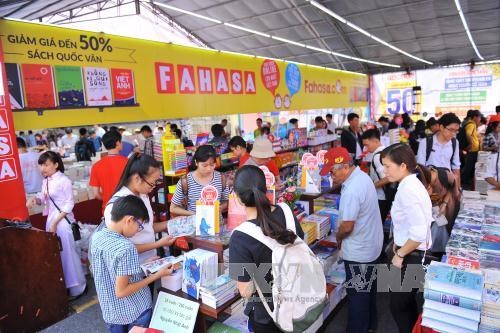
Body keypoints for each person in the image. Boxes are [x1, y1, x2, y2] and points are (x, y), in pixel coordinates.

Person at [229, 165, 304, 333]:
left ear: (238, 198)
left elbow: (246, 291)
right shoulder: (286, 211)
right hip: (297, 302)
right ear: (265, 189)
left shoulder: (240, 237)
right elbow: (300, 244)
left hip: (268, 316)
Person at [319, 147, 383, 333]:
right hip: (371, 245)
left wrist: (337, 237)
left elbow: (347, 226)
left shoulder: (351, 190)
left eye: (332, 171)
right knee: (368, 290)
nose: (331, 176)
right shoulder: (361, 177)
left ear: (345, 167)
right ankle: (371, 325)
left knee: (357, 298)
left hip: (360, 251)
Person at [91, 195, 174, 332]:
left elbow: (112, 272)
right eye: (139, 225)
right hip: (136, 310)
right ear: (129, 220)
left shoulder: (98, 236)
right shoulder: (126, 247)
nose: (137, 231)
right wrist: (157, 275)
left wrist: (142, 267)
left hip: (111, 312)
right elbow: (122, 291)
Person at [381, 144, 433, 333]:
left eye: (387, 166)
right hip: (406, 253)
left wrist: (399, 254)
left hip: (408, 256)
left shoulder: (408, 189)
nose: (384, 170)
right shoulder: (409, 184)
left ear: (403, 166)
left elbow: (419, 234)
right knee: (404, 305)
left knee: (399, 307)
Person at [26, 151, 87, 298]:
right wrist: (35, 199)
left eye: (46, 165)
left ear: (56, 164)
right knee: (58, 255)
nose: (43, 168)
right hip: (52, 221)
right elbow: (43, 196)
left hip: (62, 222)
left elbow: (69, 204)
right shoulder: (46, 181)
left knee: (68, 255)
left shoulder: (64, 180)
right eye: (41, 165)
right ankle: (65, 285)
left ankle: (78, 288)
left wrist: (55, 222)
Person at [105, 153, 173, 265]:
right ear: (137, 178)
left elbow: (148, 227)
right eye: (151, 184)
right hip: (131, 267)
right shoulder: (118, 205)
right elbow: (120, 247)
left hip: (149, 261)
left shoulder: (143, 195)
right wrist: (158, 244)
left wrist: (172, 223)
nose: (153, 187)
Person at [170, 145, 230, 217]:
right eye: (204, 165)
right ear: (196, 163)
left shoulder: (221, 178)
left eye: (212, 165)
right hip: (194, 225)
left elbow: (227, 201)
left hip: (217, 223)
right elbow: (173, 208)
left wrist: (220, 208)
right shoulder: (186, 181)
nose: (209, 169)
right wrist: (195, 215)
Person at [417, 112, 461, 188]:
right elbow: (421, 168)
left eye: (456, 130)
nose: (453, 133)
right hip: (430, 184)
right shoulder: (425, 142)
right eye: (451, 130)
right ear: (441, 127)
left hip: (447, 185)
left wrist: (457, 190)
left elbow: (456, 168)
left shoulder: (454, 142)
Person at [89, 130, 128, 213]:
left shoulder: (96, 166)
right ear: (117, 143)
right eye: (121, 141)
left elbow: (96, 194)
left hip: (108, 209)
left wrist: (109, 198)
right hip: (127, 207)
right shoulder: (128, 163)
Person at [361, 128, 391, 223]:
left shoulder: (378, 157)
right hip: (386, 197)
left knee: (376, 225)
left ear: (375, 141)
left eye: (367, 145)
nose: (366, 148)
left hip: (381, 198)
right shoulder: (386, 151)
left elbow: (387, 178)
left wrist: (371, 187)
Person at [461, 110, 482, 190]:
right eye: (479, 117)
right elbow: (468, 134)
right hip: (472, 149)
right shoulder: (471, 124)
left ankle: (466, 181)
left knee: (469, 165)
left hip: (473, 149)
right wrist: (470, 144)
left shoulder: (470, 124)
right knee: (469, 166)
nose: (480, 119)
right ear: (475, 117)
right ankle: (465, 182)